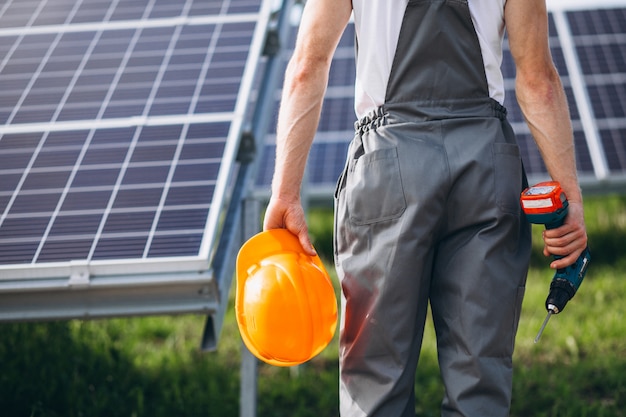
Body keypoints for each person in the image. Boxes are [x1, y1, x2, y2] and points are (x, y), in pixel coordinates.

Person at [263, 0, 589, 415]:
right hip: (486, 170)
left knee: (376, 384)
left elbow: (308, 64)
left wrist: (286, 193)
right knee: (480, 382)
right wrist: (572, 197)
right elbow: (539, 80)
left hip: (387, 171)